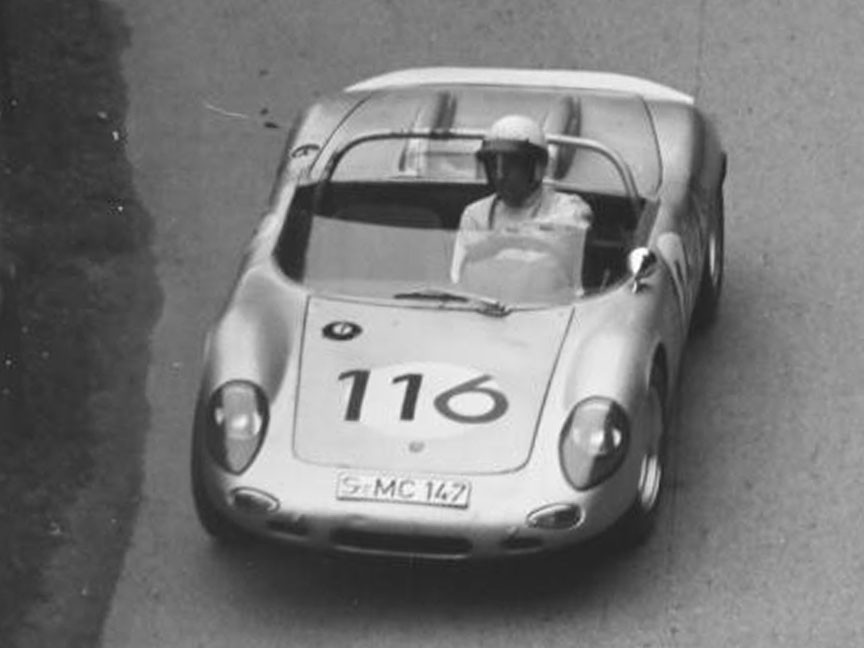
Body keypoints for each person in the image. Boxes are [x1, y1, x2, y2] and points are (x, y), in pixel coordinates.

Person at [450, 115, 593, 286]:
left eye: (510, 166)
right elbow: (461, 275)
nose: (500, 175)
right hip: (486, 299)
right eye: (494, 166)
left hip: (550, 300)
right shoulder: (475, 214)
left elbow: (574, 223)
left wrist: (501, 240)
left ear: (537, 168)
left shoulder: (568, 207)